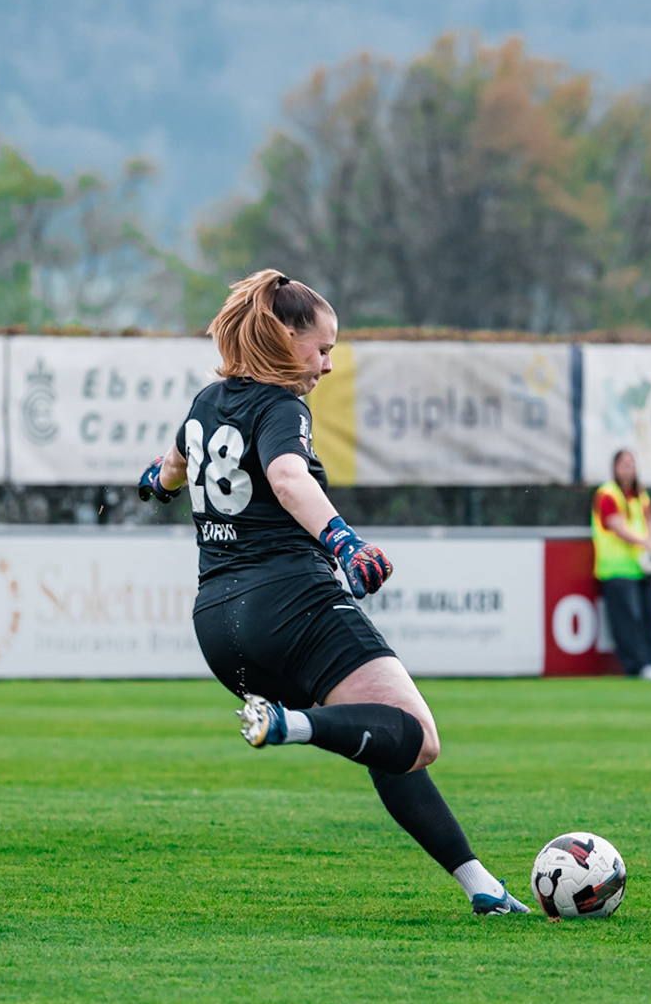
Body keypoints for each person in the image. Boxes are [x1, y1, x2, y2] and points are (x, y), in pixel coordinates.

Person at [137, 268, 530, 915]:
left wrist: (154, 484)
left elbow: (170, 468)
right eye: (321, 349)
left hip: (218, 628)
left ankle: (482, 887)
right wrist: (345, 541)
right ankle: (292, 726)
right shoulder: (282, 406)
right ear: (284, 337)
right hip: (290, 600)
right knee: (414, 734)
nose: (325, 365)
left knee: (378, 733)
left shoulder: (205, 405)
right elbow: (289, 478)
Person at [591, 448, 651, 680]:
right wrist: (649, 544)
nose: (628, 467)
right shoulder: (607, 494)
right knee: (629, 620)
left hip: (643, 568)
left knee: (650, 616)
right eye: (623, 463)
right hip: (617, 569)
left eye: (631, 463)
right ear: (615, 467)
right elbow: (617, 527)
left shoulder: (640, 494)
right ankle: (638, 666)